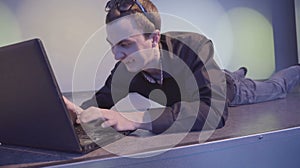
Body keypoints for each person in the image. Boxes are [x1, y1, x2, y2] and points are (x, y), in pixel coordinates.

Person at [64, 0, 300, 135]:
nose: (116, 55)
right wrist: (76, 114)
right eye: (112, 45)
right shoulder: (125, 68)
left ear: (154, 39)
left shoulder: (193, 46)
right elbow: (99, 104)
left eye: (125, 44)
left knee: (277, 87)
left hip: (231, 90)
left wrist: (135, 119)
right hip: (211, 78)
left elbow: (214, 112)